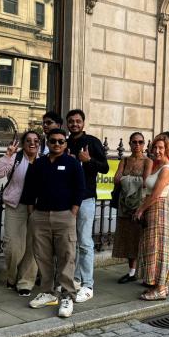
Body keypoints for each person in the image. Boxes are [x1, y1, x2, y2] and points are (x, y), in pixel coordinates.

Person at [24, 127, 86, 317]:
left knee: (67, 255)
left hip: (64, 216)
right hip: (40, 216)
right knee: (42, 256)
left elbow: (80, 189)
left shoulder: (72, 164)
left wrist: (73, 211)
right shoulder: (38, 164)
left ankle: (67, 295)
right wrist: (32, 213)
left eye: (60, 141)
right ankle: (48, 292)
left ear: (65, 144)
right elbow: (29, 189)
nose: (57, 144)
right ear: (47, 143)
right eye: (53, 141)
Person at [66, 109, 109, 304]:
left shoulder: (92, 142)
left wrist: (88, 160)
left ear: (83, 123)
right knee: (70, 241)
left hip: (85, 198)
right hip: (66, 199)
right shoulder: (64, 143)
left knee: (84, 241)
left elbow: (105, 167)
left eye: (77, 121)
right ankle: (74, 278)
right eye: (71, 121)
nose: (74, 124)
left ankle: (88, 284)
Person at [0, 130, 39, 297]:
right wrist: (7, 156)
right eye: (28, 140)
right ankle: (12, 277)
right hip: (16, 206)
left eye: (36, 140)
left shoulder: (44, 161)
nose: (32, 143)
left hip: (38, 209)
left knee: (32, 246)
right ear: (23, 144)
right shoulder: (16, 159)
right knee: (13, 247)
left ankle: (26, 282)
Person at [134, 134, 169, 300]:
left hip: (158, 208)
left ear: (167, 149)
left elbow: (155, 195)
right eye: (155, 147)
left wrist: (140, 210)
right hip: (152, 209)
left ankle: (161, 289)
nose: (157, 151)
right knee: (153, 247)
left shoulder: (166, 168)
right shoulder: (157, 165)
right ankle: (157, 284)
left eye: (161, 148)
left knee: (159, 248)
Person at [112, 132, 151, 284]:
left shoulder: (148, 161)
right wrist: (132, 180)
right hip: (124, 205)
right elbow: (116, 179)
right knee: (128, 238)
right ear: (129, 143)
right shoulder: (125, 159)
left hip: (139, 205)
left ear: (144, 144)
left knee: (140, 237)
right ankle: (132, 271)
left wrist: (125, 180)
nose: (137, 145)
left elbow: (145, 182)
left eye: (140, 142)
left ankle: (145, 271)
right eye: (134, 142)